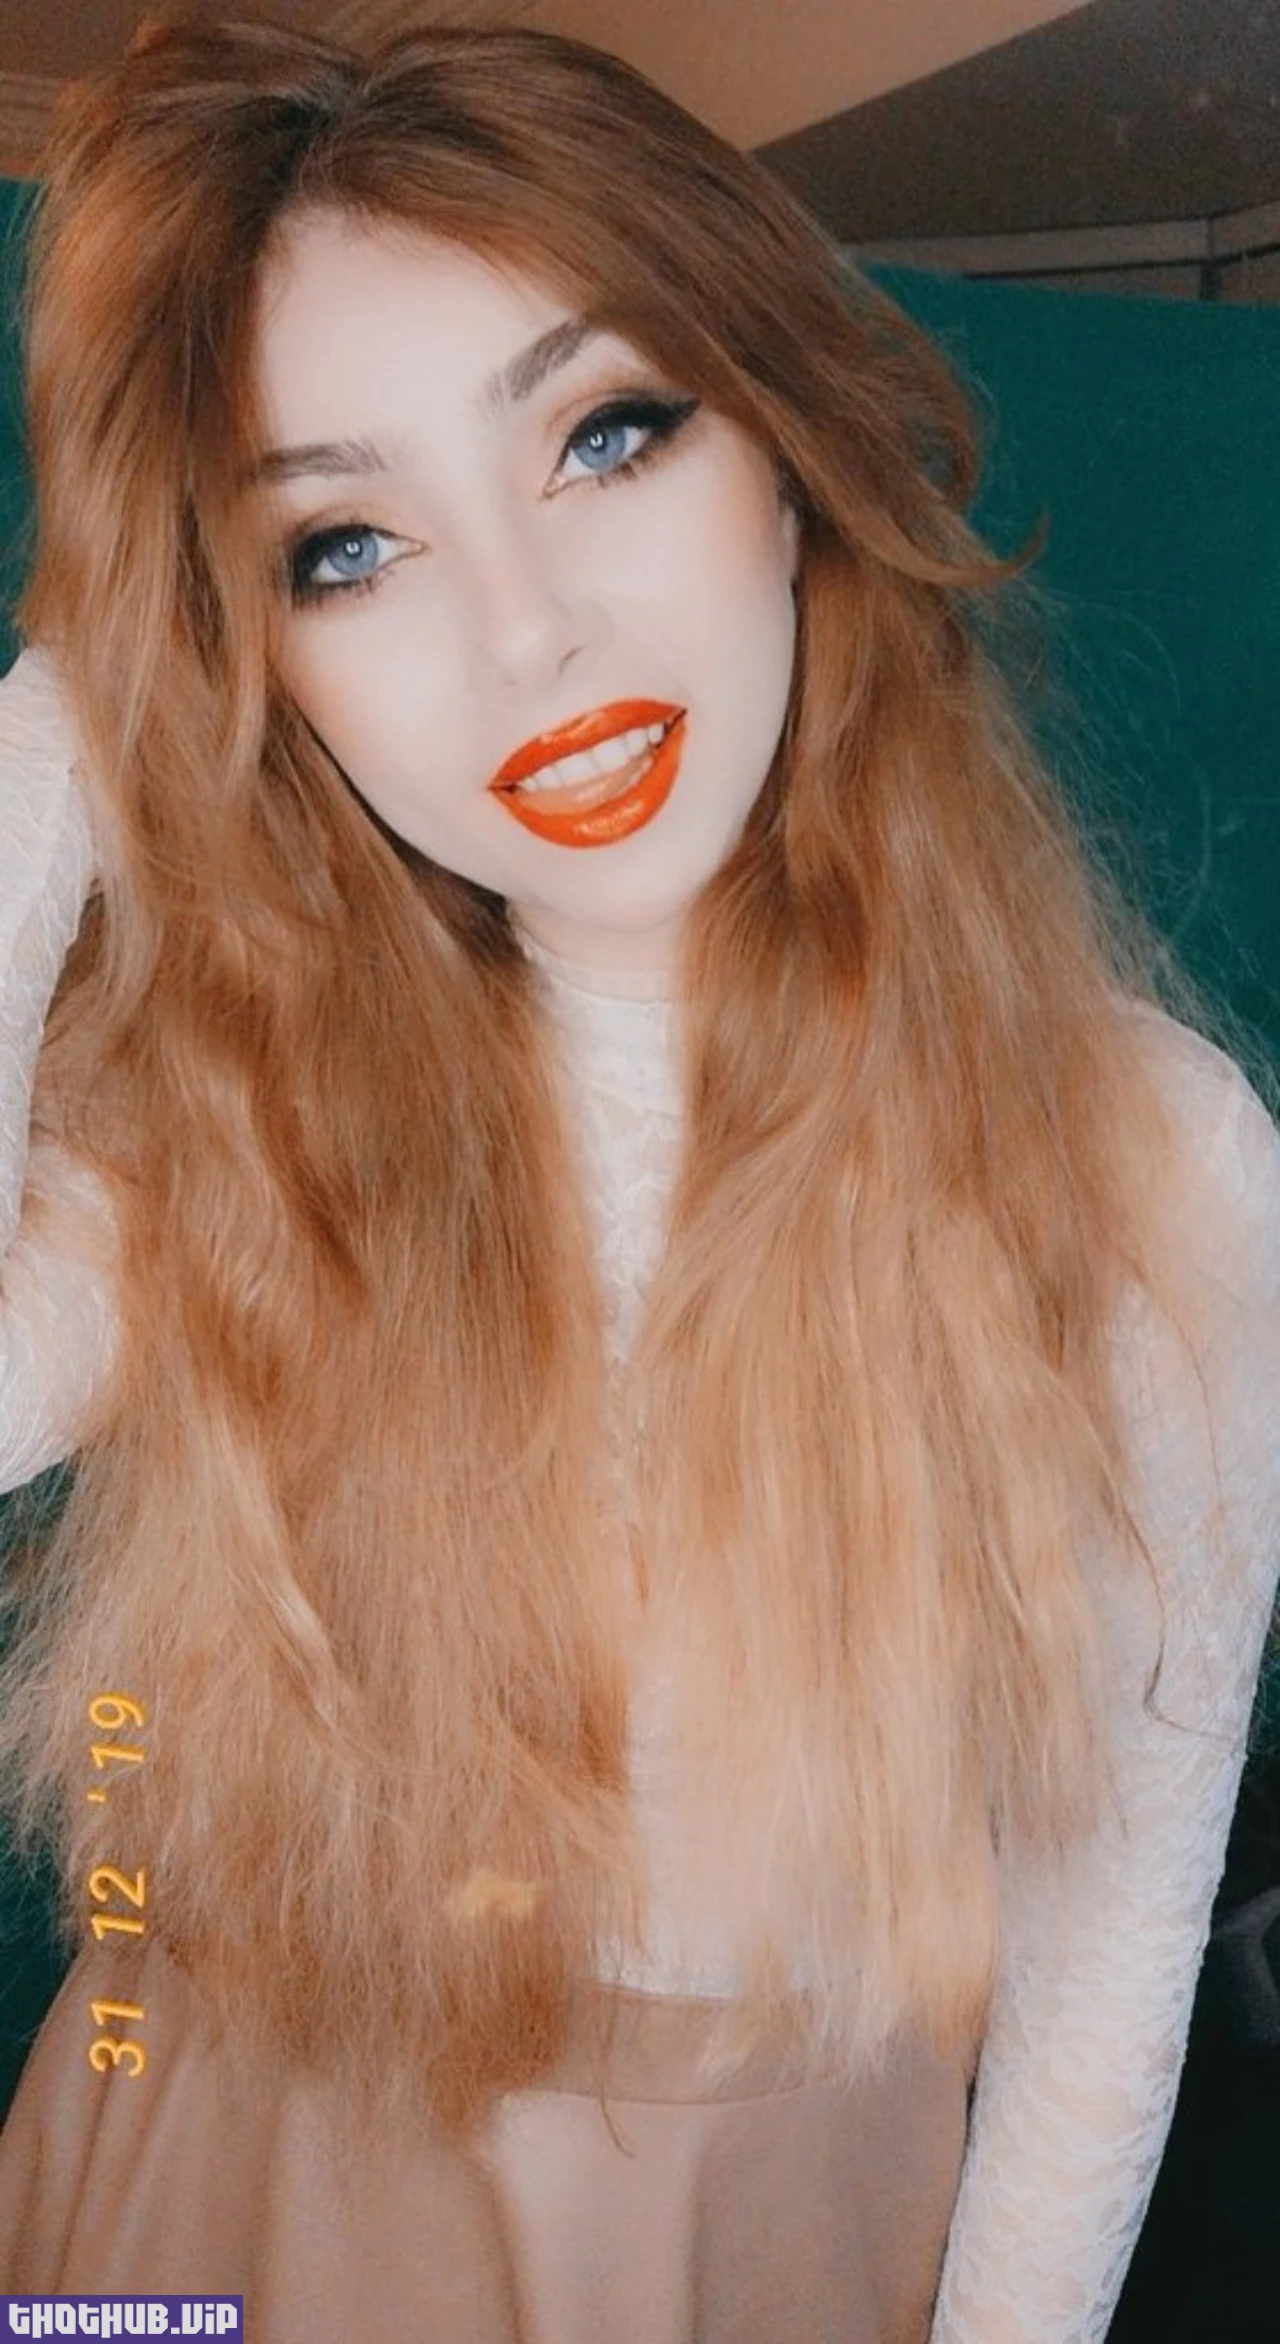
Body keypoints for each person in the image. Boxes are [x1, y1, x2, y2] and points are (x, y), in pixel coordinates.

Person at [0, 14, 1277, 2341]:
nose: (527, 628)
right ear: (253, 656)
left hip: (767, 2223)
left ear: (783, 450)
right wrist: (65, 733)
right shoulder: (218, 1103)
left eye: (604, 433)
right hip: (199, 2152)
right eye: (344, 544)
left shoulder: (1146, 1157)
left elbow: (1110, 1923)